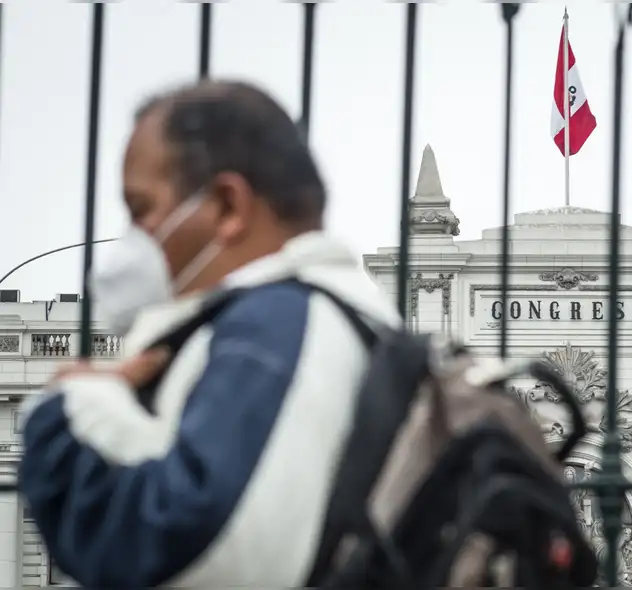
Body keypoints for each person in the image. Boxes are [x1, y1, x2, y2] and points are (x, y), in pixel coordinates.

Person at [16, 80, 400, 587]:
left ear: (227, 207)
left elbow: (204, 551)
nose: (134, 237)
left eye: (141, 209)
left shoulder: (272, 326)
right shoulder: (309, 321)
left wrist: (69, 410)